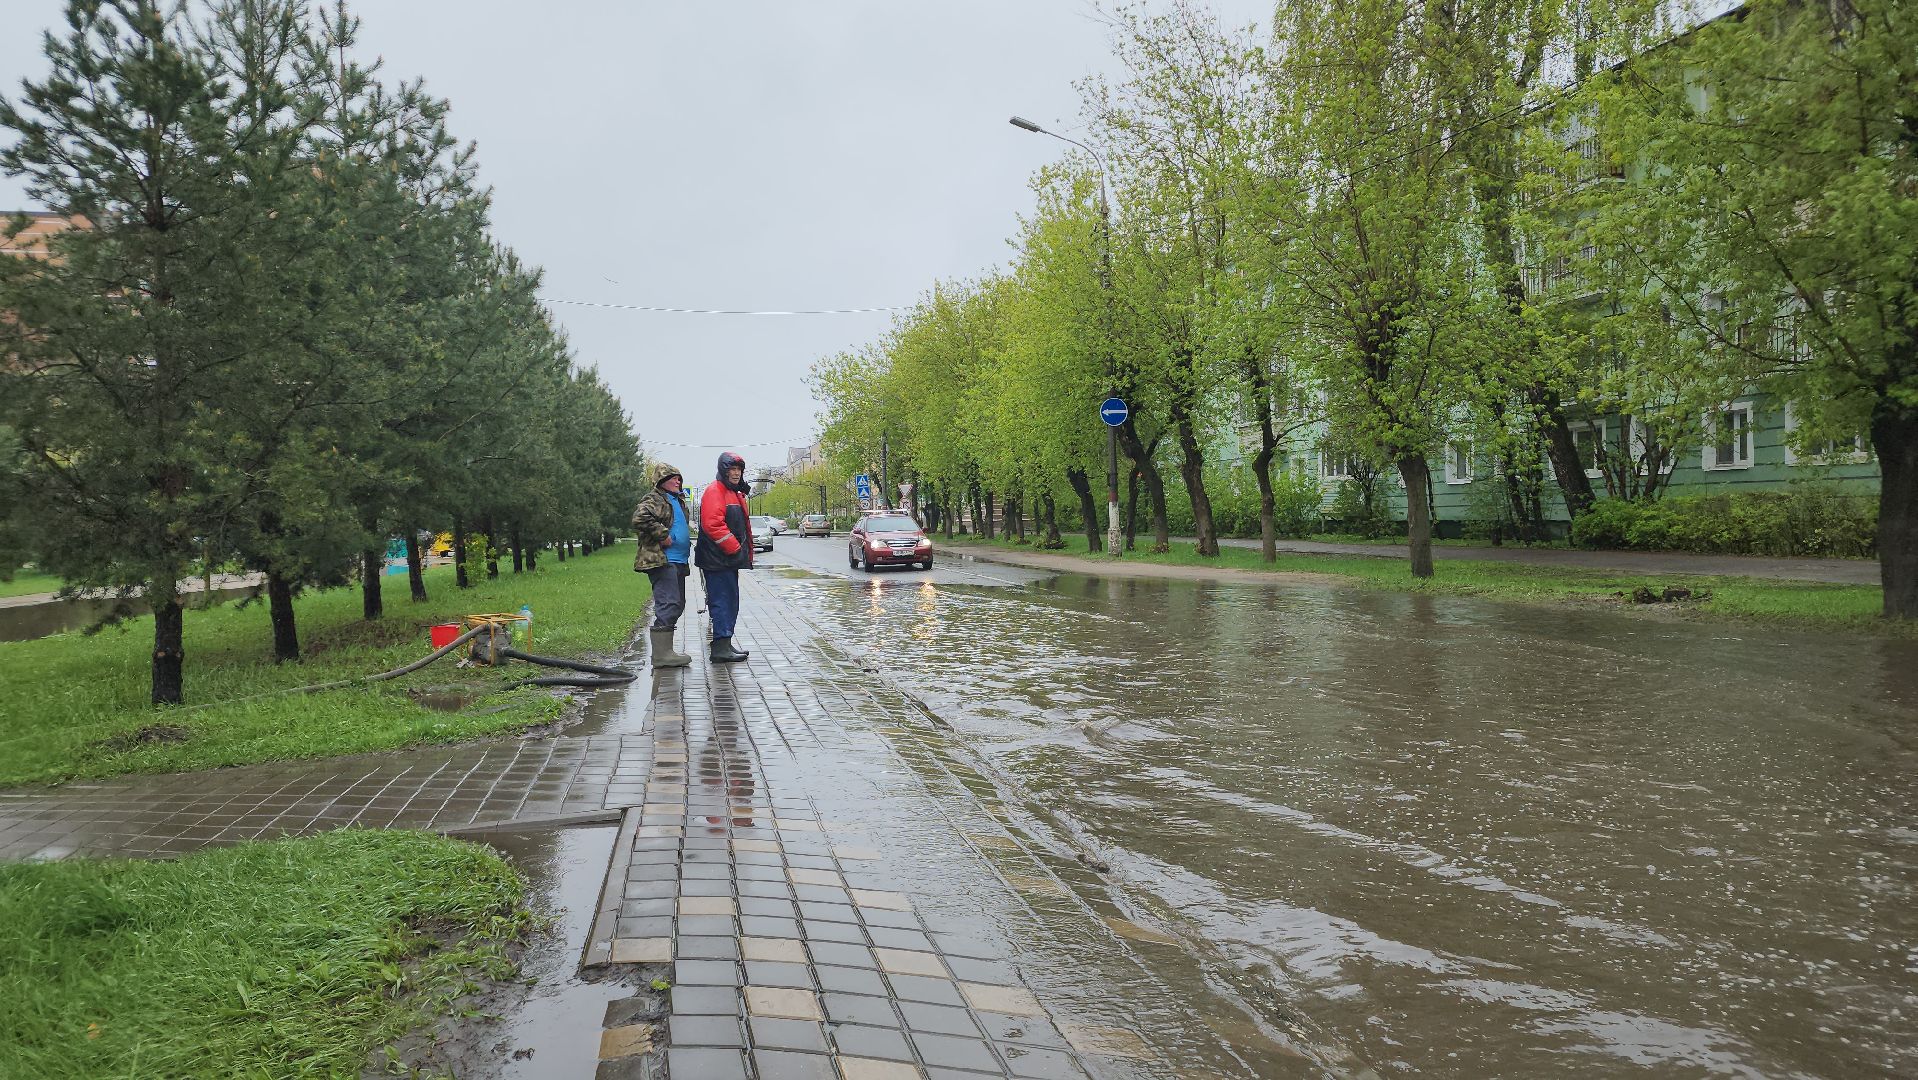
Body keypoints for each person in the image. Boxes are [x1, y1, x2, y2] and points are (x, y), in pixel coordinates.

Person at [631, 461, 692, 667]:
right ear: (661, 481)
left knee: (678, 604)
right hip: (663, 560)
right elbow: (639, 518)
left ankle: (666, 651)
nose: (678, 480)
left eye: (679, 478)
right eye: (673, 478)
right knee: (669, 603)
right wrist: (662, 534)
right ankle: (661, 656)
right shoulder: (655, 498)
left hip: (678, 561)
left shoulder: (676, 500)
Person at [695, 451, 754, 663]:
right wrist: (735, 549)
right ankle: (720, 647)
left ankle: (725, 642)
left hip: (725, 560)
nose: (736, 474)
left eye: (739, 470)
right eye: (732, 469)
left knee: (729, 601)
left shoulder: (732, 492)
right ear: (723, 470)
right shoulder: (716, 491)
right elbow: (713, 524)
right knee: (722, 601)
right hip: (718, 560)